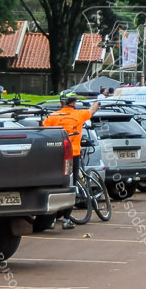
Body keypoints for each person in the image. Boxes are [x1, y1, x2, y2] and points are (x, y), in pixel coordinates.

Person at [43, 90, 100, 229]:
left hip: (56, 155)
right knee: (71, 185)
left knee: (54, 186)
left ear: (61, 102)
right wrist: (98, 102)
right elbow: (92, 110)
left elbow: (43, 132)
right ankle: (66, 219)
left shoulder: (53, 116)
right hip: (73, 155)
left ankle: (50, 220)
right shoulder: (79, 115)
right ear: (74, 103)